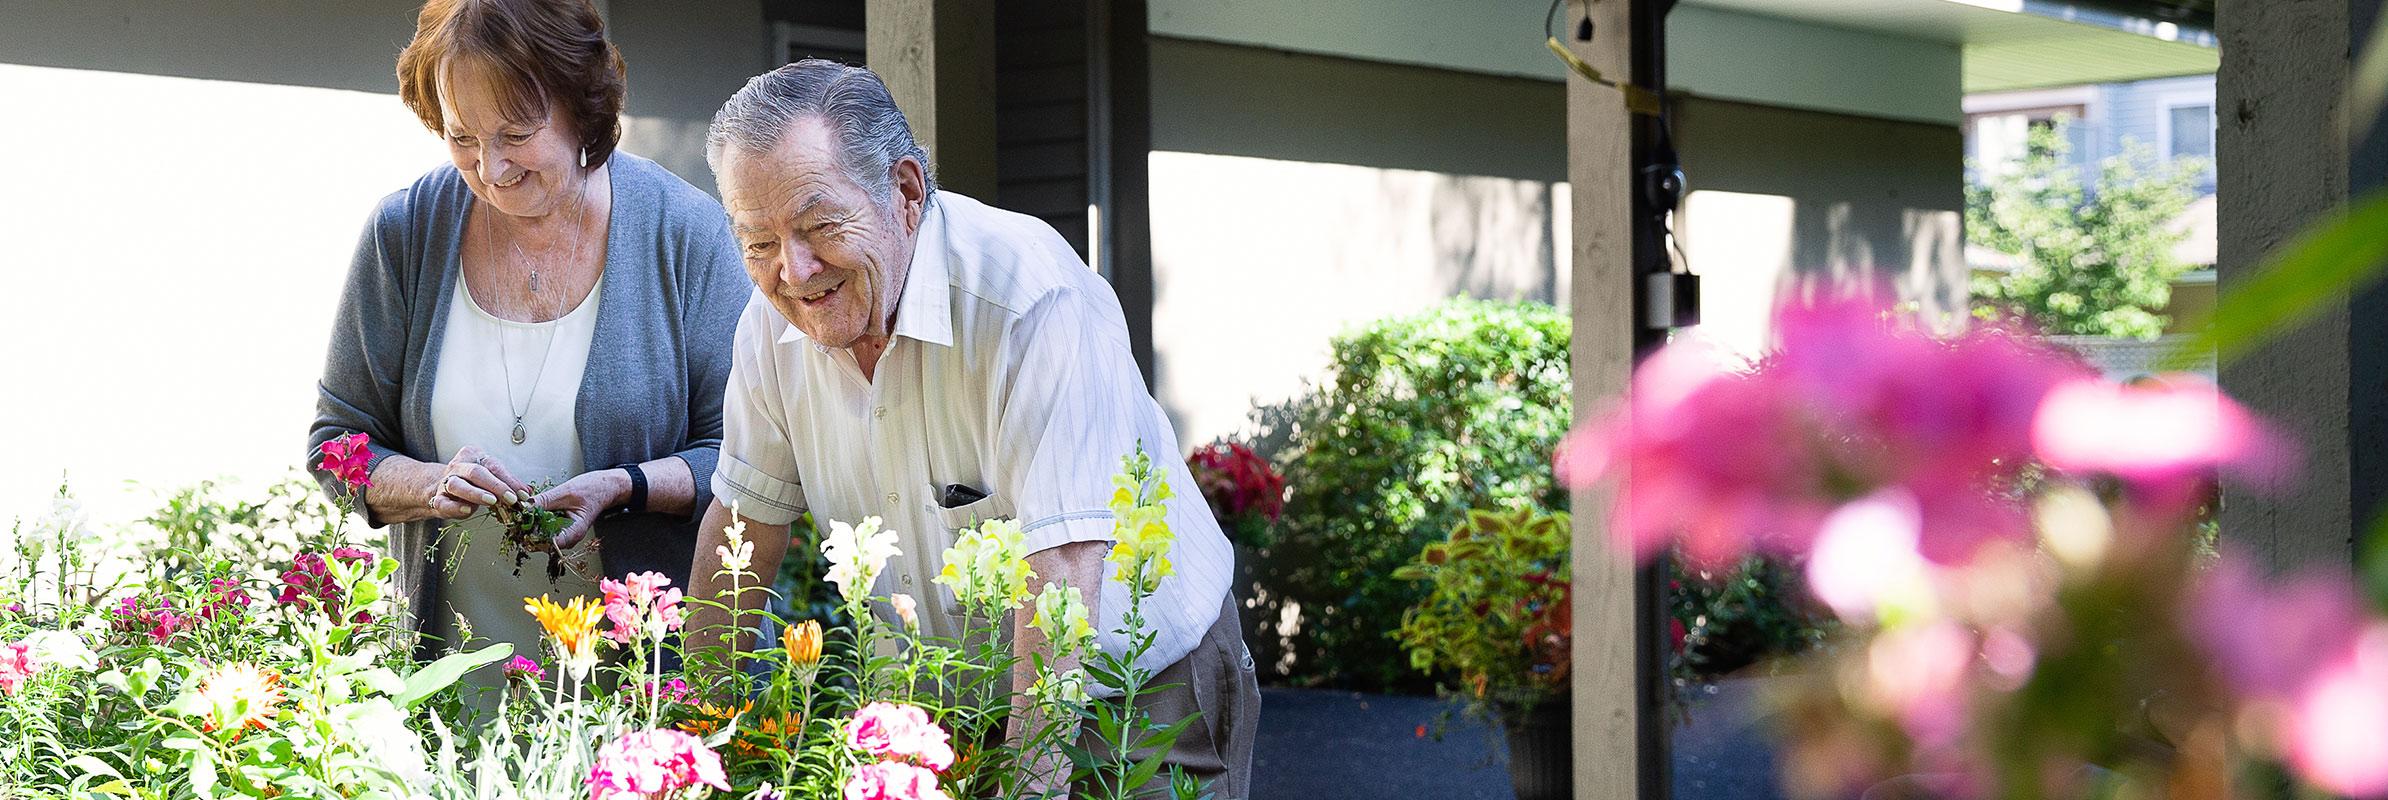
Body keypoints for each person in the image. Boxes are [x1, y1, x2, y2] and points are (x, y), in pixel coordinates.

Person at [684, 60, 1258, 795]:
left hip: (1137, 696)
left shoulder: (1030, 302)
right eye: (757, 242)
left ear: (905, 192)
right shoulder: (768, 330)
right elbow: (743, 529)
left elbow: (1062, 584)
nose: (792, 272)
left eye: (818, 225)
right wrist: (692, 739)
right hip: (943, 705)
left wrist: (1026, 785)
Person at [305, 0, 748, 688]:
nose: (490, 167)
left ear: (581, 108)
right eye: (461, 138)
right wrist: (429, 483)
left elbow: (748, 459)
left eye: (515, 133)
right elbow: (337, 445)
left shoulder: (686, 233)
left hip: (639, 687)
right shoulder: (404, 232)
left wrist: (628, 485)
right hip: (449, 683)